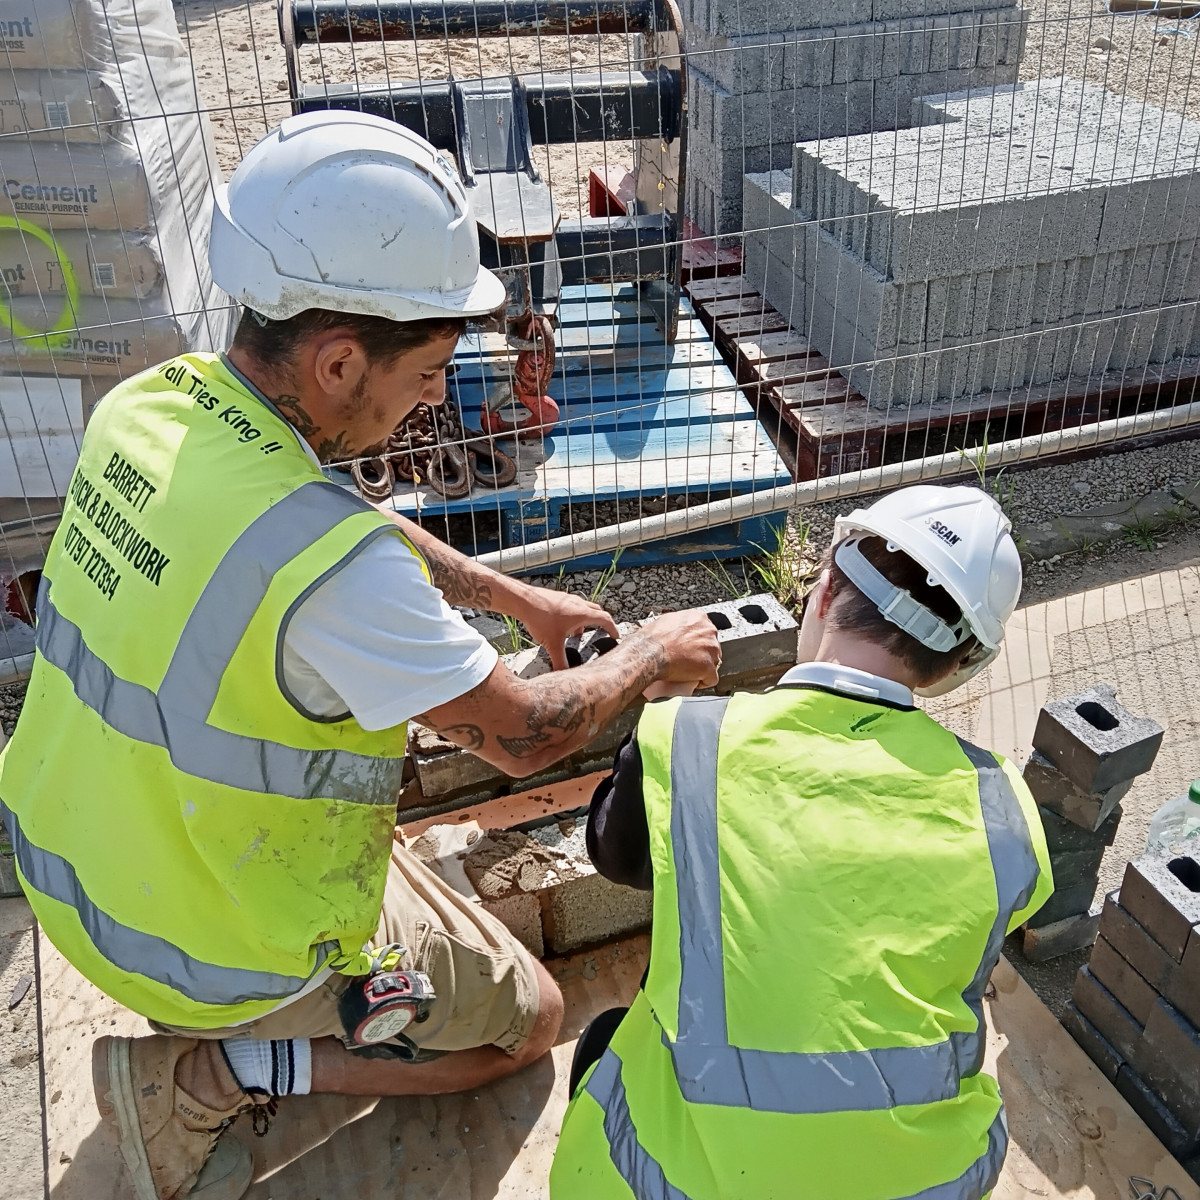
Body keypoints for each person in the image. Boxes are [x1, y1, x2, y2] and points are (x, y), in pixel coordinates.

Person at [0, 110, 720, 1200]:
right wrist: (652, 654)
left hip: (72, 868)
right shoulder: (338, 578)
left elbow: (318, 514)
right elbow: (528, 736)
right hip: (206, 947)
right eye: (427, 371)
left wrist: (511, 595)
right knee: (527, 1023)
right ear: (340, 360)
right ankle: (213, 1075)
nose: (433, 396)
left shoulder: (153, 407)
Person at [549, 484, 1055, 1200]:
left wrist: (662, 714)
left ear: (824, 593)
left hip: (671, 1183)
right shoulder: (1000, 800)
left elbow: (617, 855)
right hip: (927, 1182)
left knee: (605, 1038)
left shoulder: (688, 740)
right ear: (953, 668)